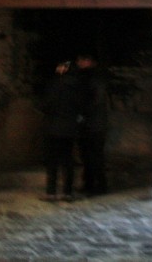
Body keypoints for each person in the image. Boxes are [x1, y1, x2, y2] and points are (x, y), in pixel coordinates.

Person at [41, 60, 80, 201]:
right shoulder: (76, 85)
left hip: (53, 128)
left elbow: (46, 105)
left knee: (52, 161)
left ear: (63, 68)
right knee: (67, 161)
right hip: (69, 129)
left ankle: (51, 192)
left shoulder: (55, 84)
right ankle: (67, 192)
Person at [75, 53, 108, 196]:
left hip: (93, 124)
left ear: (89, 61)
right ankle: (91, 184)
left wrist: (82, 115)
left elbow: (95, 101)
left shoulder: (93, 79)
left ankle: (97, 186)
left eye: (82, 60)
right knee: (89, 156)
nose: (79, 63)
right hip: (92, 123)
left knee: (94, 156)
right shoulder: (89, 78)